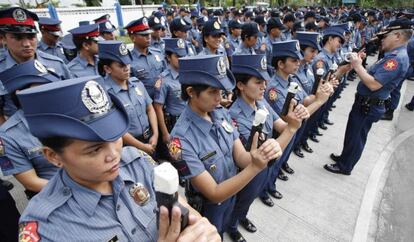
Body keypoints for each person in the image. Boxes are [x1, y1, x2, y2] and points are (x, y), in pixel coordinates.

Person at [17, 76, 220, 241]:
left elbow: (179, 204)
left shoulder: (136, 161)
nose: (114, 154)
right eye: (95, 150)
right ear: (53, 157)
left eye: (115, 137)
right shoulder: (46, 228)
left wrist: (201, 229)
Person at [169, 55, 282, 236]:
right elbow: (214, 193)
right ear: (191, 91)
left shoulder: (220, 113)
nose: (219, 98)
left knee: (225, 225)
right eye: (212, 91)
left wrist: (261, 153)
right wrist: (255, 167)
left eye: (220, 91)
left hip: (232, 191)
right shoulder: (180, 140)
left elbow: (241, 158)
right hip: (209, 206)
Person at [227, 54, 307, 242]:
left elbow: (281, 126)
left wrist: (295, 117)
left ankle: (242, 217)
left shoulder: (261, 103)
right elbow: (265, 151)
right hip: (248, 168)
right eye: (257, 82)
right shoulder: (234, 115)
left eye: (264, 81)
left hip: (264, 166)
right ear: (240, 85)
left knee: (252, 195)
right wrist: (292, 127)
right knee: (243, 198)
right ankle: (232, 226)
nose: (264, 85)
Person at [325, 19, 412, 175]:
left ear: (397, 36)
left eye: (386, 36)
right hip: (366, 103)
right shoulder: (393, 55)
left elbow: (374, 84)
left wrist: (357, 66)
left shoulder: (396, 59)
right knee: (352, 133)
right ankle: (345, 158)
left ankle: (345, 166)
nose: (382, 39)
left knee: (357, 136)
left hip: (369, 105)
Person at [0, 60, 60, 198]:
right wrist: (79, 189)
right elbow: (31, 182)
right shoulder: (8, 135)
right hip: (53, 195)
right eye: (41, 88)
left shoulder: (66, 113)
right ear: (20, 93)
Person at [0, 7, 71, 119]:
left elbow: (70, 96)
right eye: (18, 38)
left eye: (31, 37)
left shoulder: (56, 64)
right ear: (2, 38)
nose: (27, 44)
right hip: (18, 132)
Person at [98, 41, 159, 157]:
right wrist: (142, 146)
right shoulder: (105, 94)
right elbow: (117, 129)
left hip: (150, 140)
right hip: (129, 148)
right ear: (107, 68)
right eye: (121, 65)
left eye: (128, 64)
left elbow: (150, 109)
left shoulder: (136, 83)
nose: (127, 68)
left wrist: (155, 134)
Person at [153, 38, 188, 159]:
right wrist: (165, 133)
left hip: (189, 122)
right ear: (168, 57)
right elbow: (158, 108)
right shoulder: (163, 79)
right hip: (174, 126)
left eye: (183, 56)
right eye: (177, 56)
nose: (181, 59)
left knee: (191, 156)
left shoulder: (188, 74)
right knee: (177, 158)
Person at [126, 17, 166, 99]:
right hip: (146, 104)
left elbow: (166, 73)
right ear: (133, 37)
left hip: (163, 100)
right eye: (144, 35)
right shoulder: (128, 60)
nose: (148, 37)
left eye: (149, 34)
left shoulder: (157, 53)